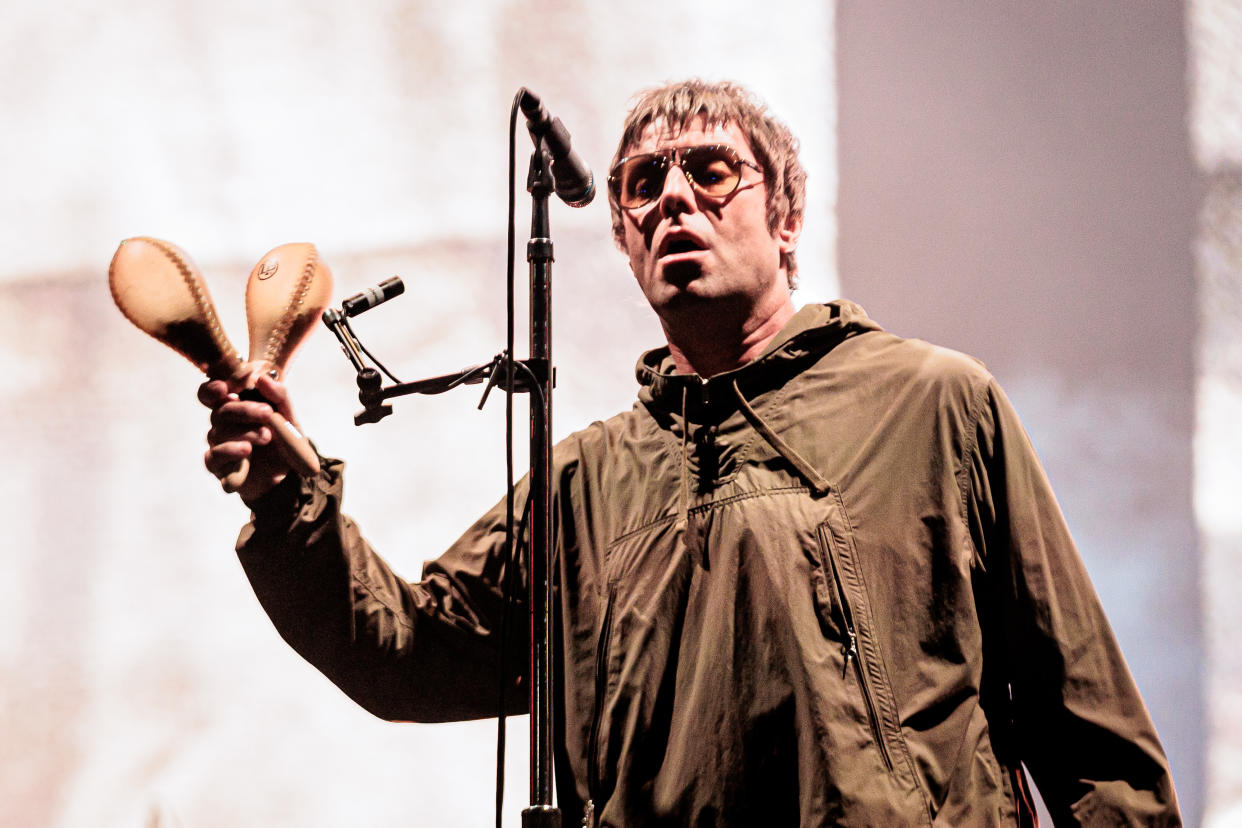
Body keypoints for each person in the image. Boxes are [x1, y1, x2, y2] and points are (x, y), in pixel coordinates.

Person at [200, 79, 1182, 826]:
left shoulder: (931, 403)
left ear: (786, 218)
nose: (673, 198)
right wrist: (293, 503)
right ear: (627, 245)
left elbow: (1084, 722)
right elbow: (407, 655)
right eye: (642, 187)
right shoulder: (585, 481)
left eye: (709, 171)